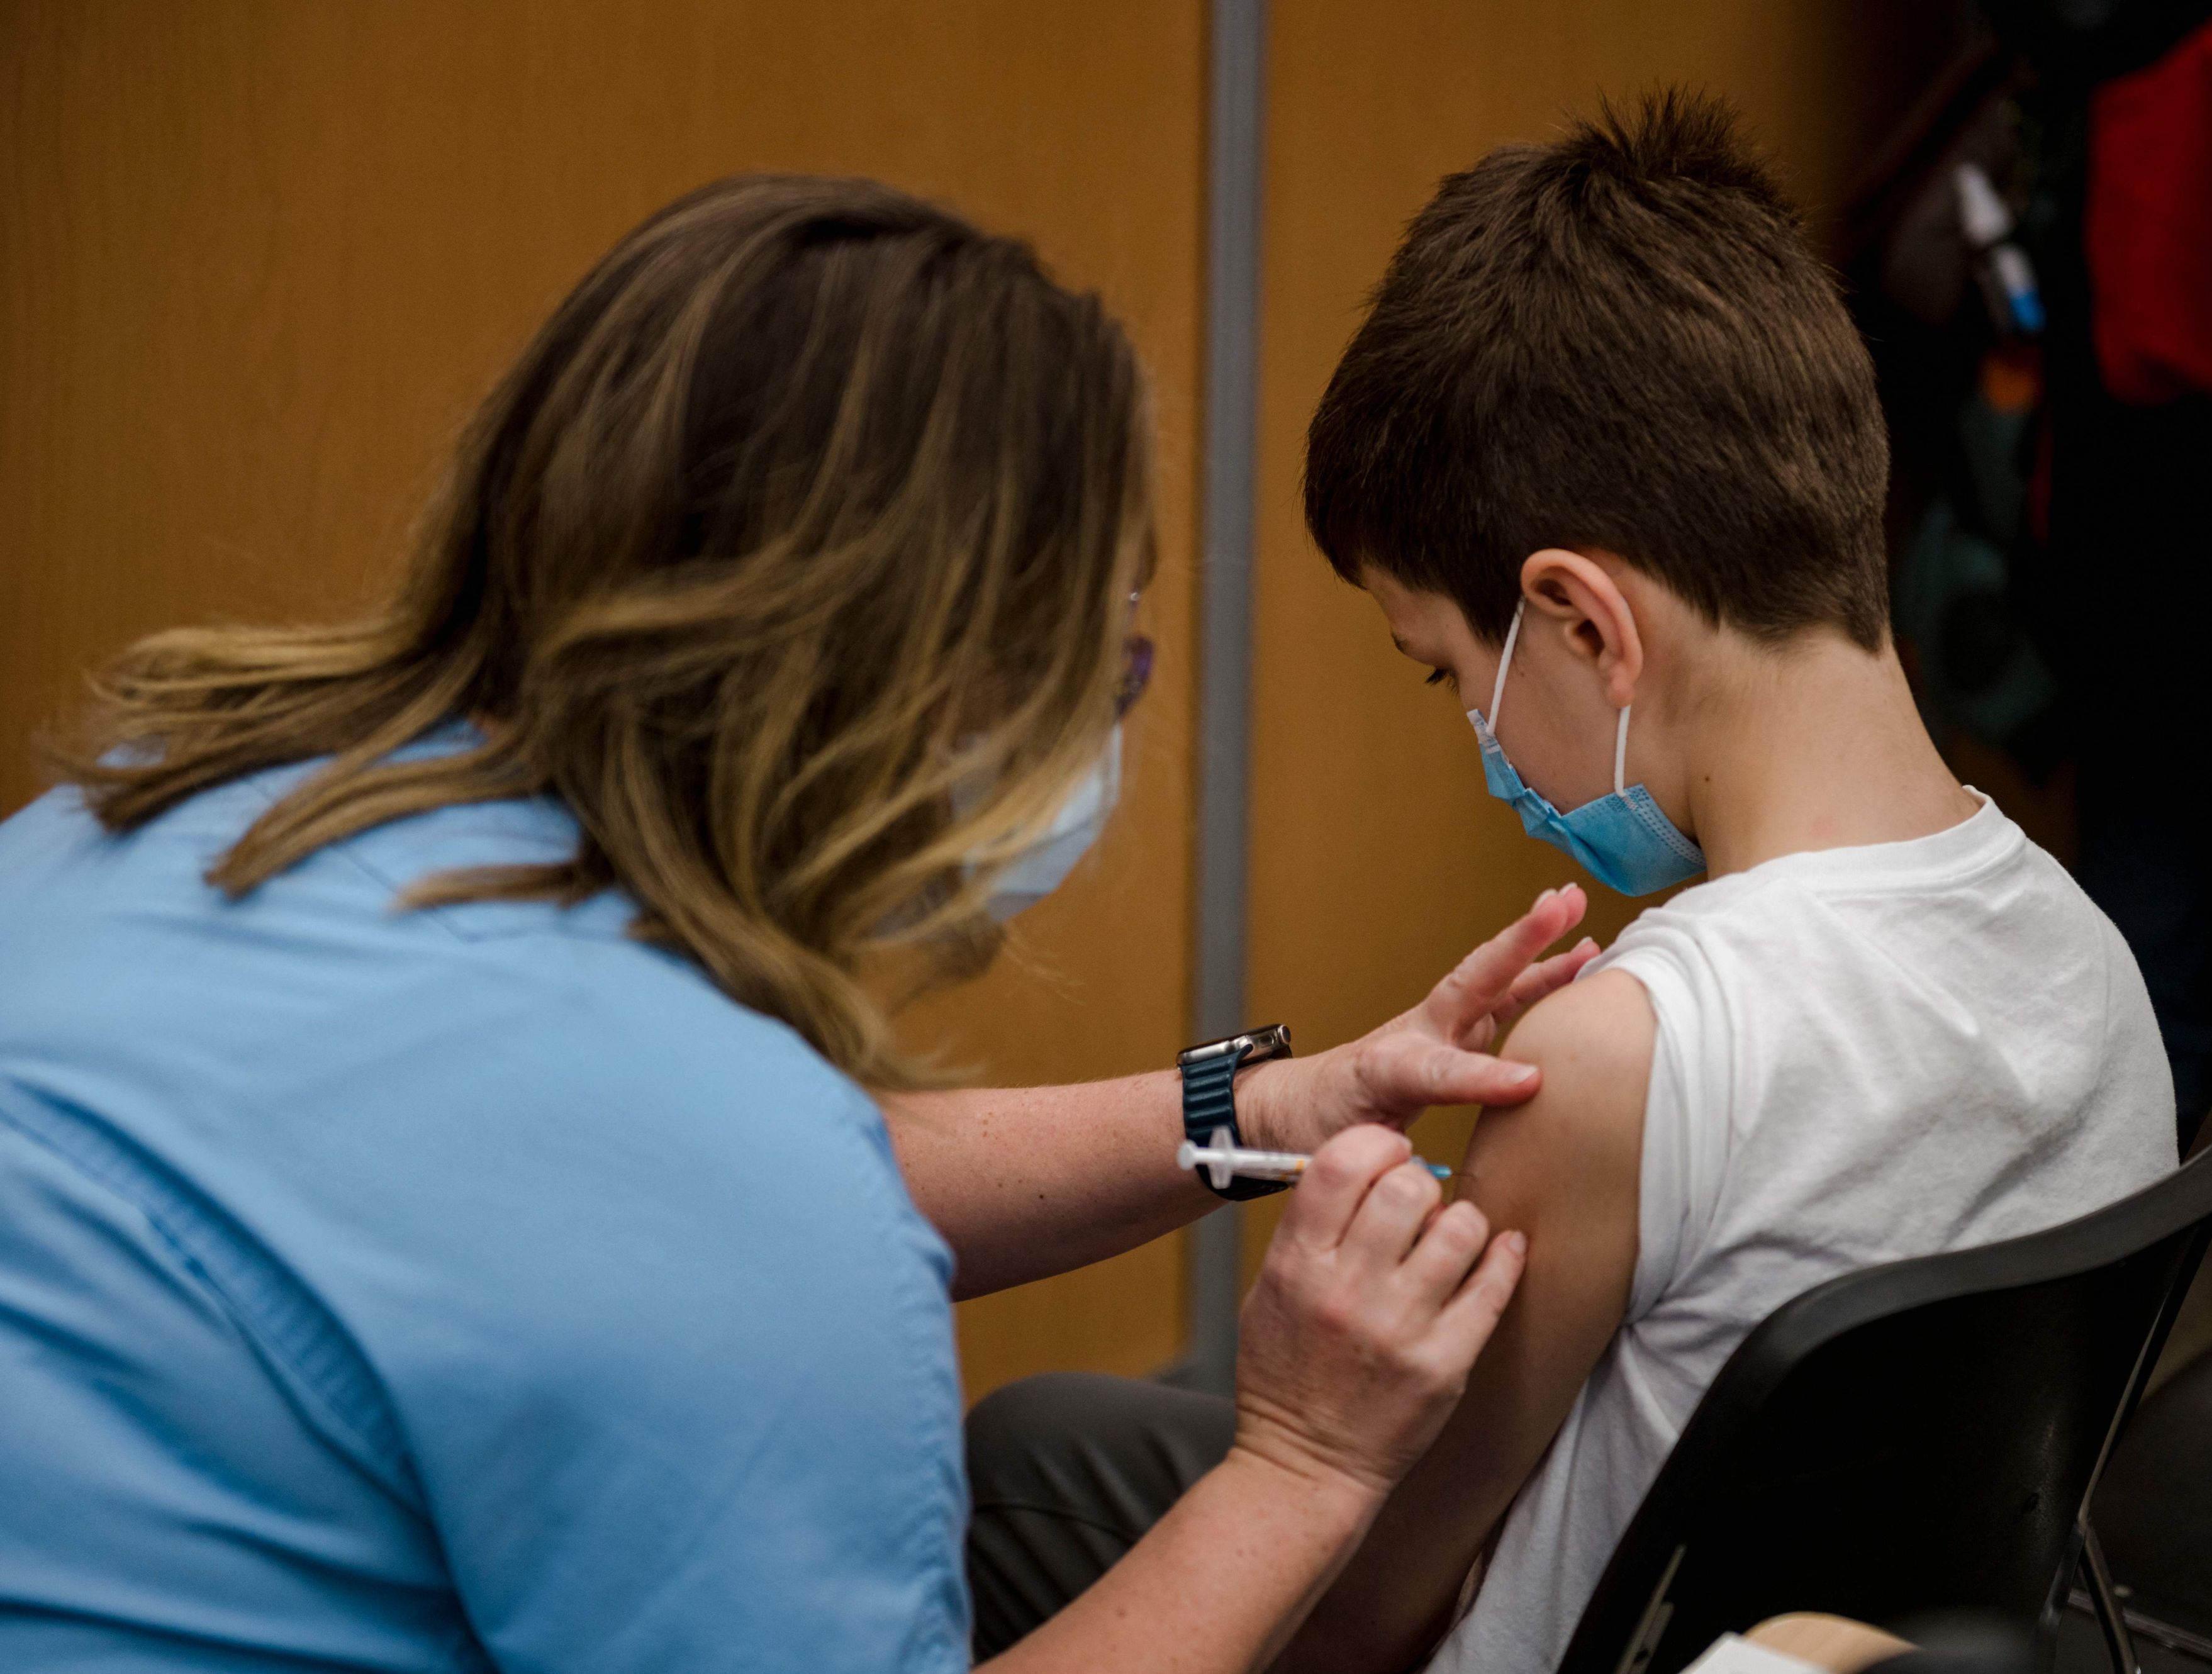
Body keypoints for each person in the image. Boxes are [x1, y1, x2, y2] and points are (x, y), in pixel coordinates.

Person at [0, 174, 1595, 1673]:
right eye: (1102, 668)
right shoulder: (714, 1182)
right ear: (937, 678)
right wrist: (1303, 1460)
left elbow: (603, 1183)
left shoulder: (177, 809)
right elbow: (701, 1198)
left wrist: (1260, 1110)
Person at [961, 94, 2179, 1674]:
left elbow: (1364, 1616)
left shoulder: (1625, 1055)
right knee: (1053, 1437)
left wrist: (1305, 1410)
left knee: (1017, 1461)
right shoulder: (2094, 960)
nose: (1476, 736)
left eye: (1444, 673)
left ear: (1584, 622)